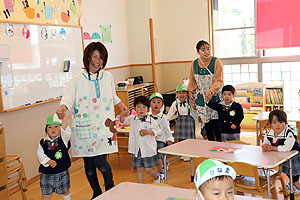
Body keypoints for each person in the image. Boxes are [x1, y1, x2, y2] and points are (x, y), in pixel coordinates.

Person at [56, 42, 128, 199]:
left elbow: (113, 96)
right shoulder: (77, 78)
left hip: (103, 128)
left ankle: (110, 188)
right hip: (84, 129)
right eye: (95, 56)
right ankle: (96, 192)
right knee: (89, 167)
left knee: (102, 164)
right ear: (88, 56)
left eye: (101, 58)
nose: (98, 61)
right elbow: (68, 98)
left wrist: (122, 106)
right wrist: (63, 108)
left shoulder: (107, 76)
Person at [119, 95, 162, 183]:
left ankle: (157, 176)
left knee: (148, 169)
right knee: (139, 170)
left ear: (148, 108)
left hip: (147, 149)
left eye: (143, 107)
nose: (141, 109)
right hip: (137, 149)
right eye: (138, 107)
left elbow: (159, 131)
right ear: (134, 108)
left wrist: (149, 132)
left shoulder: (151, 120)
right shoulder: (132, 119)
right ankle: (140, 186)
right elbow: (122, 121)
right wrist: (122, 115)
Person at [189, 40, 224, 142]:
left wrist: (211, 91)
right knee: (206, 124)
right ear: (198, 51)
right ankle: (210, 146)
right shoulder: (194, 64)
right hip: (201, 98)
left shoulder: (216, 61)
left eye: (208, 49)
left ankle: (219, 145)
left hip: (214, 97)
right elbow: (192, 81)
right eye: (203, 49)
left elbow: (219, 79)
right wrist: (191, 92)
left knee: (216, 124)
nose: (207, 52)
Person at [262, 110, 300, 193]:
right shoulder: (269, 133)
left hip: (294, 154)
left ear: (286, 123)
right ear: (270, 124)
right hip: (282, 155)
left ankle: (297, 186)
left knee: (294, 172)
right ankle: (291, 184)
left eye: (281, 122)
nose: (278, 125)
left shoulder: (289, 132)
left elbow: (286, 148)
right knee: (286, 170)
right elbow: (266, 142)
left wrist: (271, 148)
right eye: (274, 123)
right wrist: (265, 146)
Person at [37, 113, 71, 200]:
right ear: (46, 129)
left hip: (61, 172)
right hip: (46, 174)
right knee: (45, 194)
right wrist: (47, 161)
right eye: (50, 127)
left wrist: (64, 117)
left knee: (65, 191)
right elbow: (40, 154)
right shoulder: (43, 142)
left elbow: (66, 130)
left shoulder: (63, 139)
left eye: (56, 126)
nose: (53, 129)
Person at [166, 83, 197, 161]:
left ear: (187, 93)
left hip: (189, 122)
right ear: (177, 94)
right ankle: (183, 153)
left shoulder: (190, 102)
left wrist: (196, 116)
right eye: (179, 93)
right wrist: (165, 120)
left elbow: (195, 112)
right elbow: (170, 114)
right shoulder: (175, 103)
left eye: (183, 92)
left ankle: (189, 154)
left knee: (189, 140)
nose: (181, 95)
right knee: (181, 139)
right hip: (180, 123)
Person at [149, 92, 174, 179]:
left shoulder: (163, 117)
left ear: (162, 104)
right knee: (153, 155)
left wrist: (169, 139)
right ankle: (165, 162)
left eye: (158, 102)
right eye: (154, 102)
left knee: (158, 154)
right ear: (150, 104)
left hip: (161, 139)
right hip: (151, 139)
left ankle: (160, 171)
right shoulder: (147, 117)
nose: (156, 104)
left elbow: (167, 129)